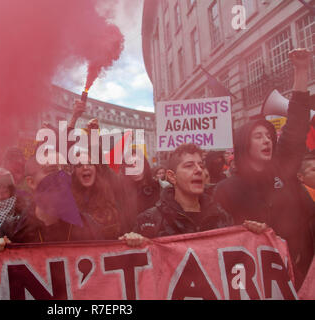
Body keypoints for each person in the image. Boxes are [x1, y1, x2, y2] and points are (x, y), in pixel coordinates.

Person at [213, 48, 314, 289]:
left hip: (300, 270)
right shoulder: (226, 190)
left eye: (269, 136)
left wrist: (301, 70)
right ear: (244, 145)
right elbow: (215, 238)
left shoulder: (283, 169)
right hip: (255, 281)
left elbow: (298, 122)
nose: (267, 140)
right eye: (258, 136)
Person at [119, 144, 266, 246]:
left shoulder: (221, 217)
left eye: (201, 165)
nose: (198, 170)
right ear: (171, 177)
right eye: (189, 166)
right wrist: (132, 242)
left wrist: (253, 235)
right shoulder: (148, 221)